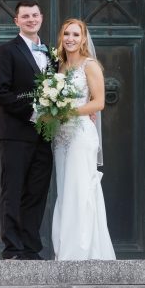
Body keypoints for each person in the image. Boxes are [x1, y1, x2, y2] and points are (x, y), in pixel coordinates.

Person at [0, 0, 54, 260]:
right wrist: (34, 111)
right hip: (15, 133)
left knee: (36, 193)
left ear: (41, 18)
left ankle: (30, 248)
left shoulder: (51, 53)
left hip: (44, 135)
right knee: (13, 190)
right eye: (25, 16)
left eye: (35, 15)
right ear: (16, 21)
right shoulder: (6, 51)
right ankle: (13, 249)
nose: (31, 19)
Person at [51, 18, 116, 260]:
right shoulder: (59, 67)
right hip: (60, 137)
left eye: (76, 35)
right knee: (65, 190)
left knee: (79, 190)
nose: (70, 38)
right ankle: (65, 250)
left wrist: (69, 112)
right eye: (66, 34)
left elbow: (98, 103)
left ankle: (80, 252)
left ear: (83, 38)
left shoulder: (90, 66)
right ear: (61, 37)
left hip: (81, 134)